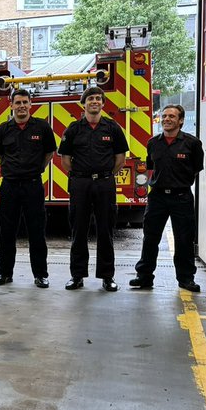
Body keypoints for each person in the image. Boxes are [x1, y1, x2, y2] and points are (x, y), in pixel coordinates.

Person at [58, 86, 128, 292]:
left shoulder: (113, 128)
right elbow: (65, 159)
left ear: (103, 104)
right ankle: (77, 276)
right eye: (90, 99)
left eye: (98, 98)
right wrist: (81, 176)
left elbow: (120, 159)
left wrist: (105, 176)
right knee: (78, 229)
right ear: (84, 103)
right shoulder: (73, 129)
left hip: (105, 184)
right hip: (81, 184)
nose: (94, 102)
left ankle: (107, 277)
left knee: (105, 230)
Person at [130, 105, 204, 292]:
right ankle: (144, 276)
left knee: (184, 239)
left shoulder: (192, 143)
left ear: (180, 120)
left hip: (181, 196)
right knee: (150, 238)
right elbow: (150, 165)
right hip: (157, 197)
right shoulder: (153, 142)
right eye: (164, 116)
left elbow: (196, 168)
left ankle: (186, 279)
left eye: (172, 116)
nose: (167, 119)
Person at [0, 88, 57, 288]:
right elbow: (0, 156)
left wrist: (36, 170)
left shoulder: (42, 128)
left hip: (33, 185)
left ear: (30, 104)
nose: (21, 106)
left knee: (36, 231)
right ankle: (5, 273)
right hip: (10, 186)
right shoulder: (3, 129)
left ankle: (40, 274)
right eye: (17, 102)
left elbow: (49, 153)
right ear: (11, 105)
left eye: (25, 102)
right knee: (7, 232)